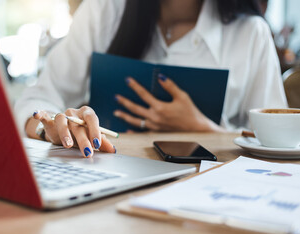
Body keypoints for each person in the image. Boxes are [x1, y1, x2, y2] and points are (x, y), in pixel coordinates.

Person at [15, 0, 287, 158]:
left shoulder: (251, 34)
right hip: (106, 182)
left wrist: (204, 130)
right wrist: (47, 127)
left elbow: (278, 141)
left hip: (210, 190)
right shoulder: (105, 10)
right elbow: (37, 98)